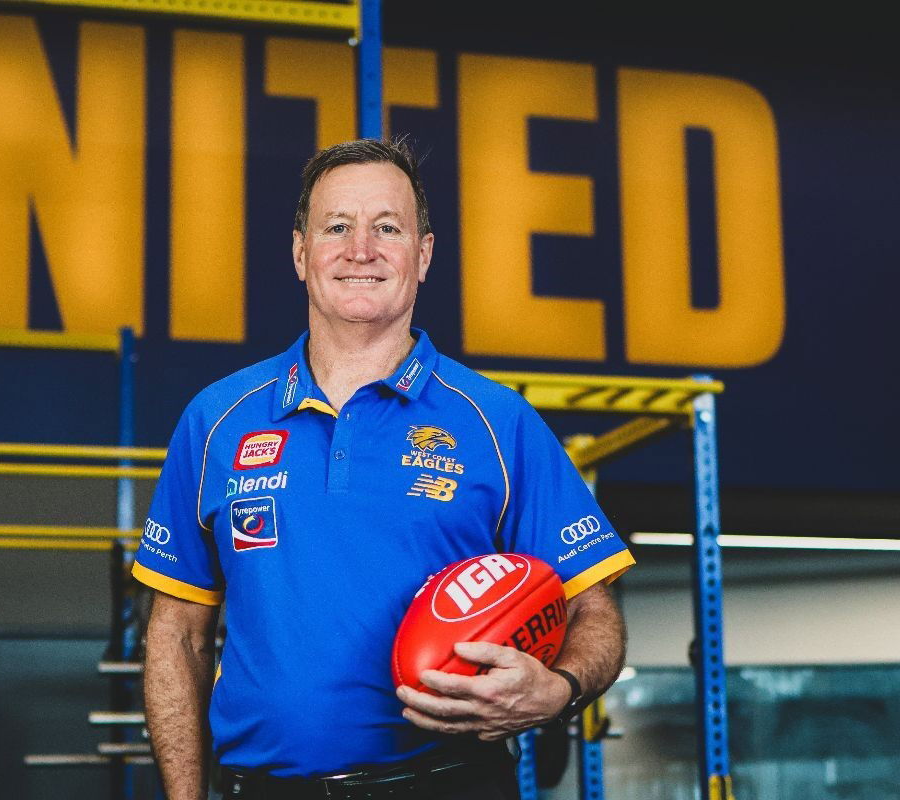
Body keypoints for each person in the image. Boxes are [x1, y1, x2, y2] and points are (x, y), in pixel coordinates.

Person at [133, 138, 634, 800]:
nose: (360, 249)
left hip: (449, 785)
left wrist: (559, 688)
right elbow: (178, 636)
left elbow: (594, 608)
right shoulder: (217, 421)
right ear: (299, 252)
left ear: (422, 256)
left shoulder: (496, 421)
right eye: (336, 226)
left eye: (387, 228)